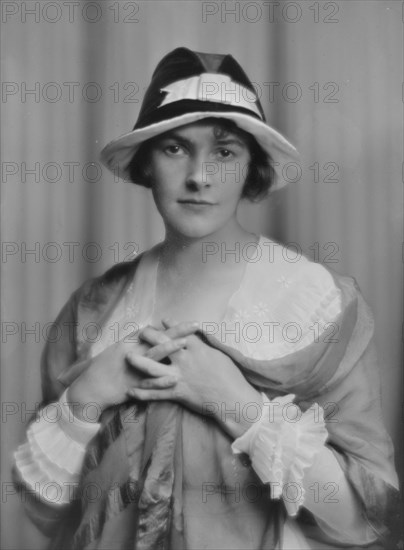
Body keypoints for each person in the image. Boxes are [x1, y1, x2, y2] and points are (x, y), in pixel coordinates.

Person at [13, 47, 399, 550]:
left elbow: (367, 520)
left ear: (251, 166)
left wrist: (239, 406)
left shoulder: (321, 307)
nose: (200, 177)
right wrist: (84, 399)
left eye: (224, 152)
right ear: (146, 163)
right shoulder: (94, 311)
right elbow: (44, 515)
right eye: (175, 148)